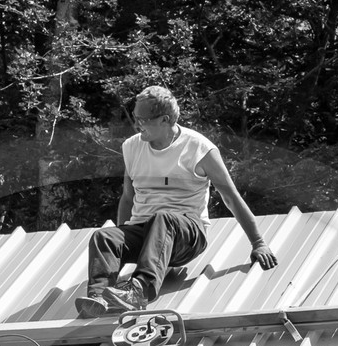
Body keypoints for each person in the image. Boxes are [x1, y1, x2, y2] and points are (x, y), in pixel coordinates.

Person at [78, 85, 277, 317]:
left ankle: (140, 291)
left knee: (163, 218)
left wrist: (258, 243)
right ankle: (99, 297)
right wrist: (121, 244)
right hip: (145, 233)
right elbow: (128, 198)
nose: (137, 124)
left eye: (143, 119)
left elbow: (230, 197)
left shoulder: (199, 148)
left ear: (164, 119)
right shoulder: (132, 147)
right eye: (135, 118)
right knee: (105, 236)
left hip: (186, 234)